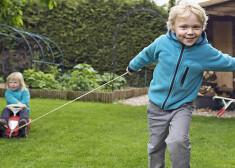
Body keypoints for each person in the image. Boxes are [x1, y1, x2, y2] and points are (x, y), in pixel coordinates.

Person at [126, 1, 235, 168]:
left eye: (196, 27)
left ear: (202, 27)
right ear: (173, 27)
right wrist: (132, 66)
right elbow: (145, 55)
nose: (190, 32)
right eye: (184, 27)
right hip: (156, 105)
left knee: (178, 140)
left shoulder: (205, 52)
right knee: (155, 145)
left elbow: (228, 62)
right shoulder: (162, 43)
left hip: (182, 106)